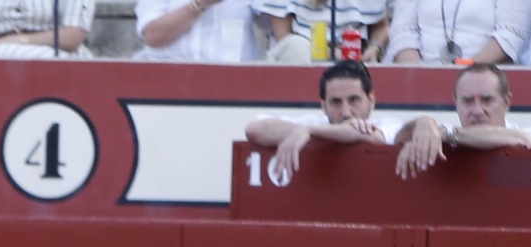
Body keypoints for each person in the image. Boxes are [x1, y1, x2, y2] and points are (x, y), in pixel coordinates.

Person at [245, 61, 395, 183]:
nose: (346, 112)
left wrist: (310, 132)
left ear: (371, 100)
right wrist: (309, 130)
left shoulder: (389, 124)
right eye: (336, 102)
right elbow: (254, 129)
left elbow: (377, 139)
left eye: (354, 100)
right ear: (324, 106)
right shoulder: (314, 123)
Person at [394, 63, 531, 179]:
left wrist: (445, 135)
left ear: (506, 102)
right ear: (456, 103)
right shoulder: (441, 132)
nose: (477, 111)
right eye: (468, 101)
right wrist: (422, 123)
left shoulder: (530, 133)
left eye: (487, 100)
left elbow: (522, 138)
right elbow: (397, 140)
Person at [384, 0, 530, 64]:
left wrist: (465, 69)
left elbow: (511, 35)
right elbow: (402, 33)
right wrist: (420, 73)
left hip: (484, 76)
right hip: (421, 75)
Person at [258, 0, 389, 62]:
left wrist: (375, 48)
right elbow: (283, 34)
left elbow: (380, 26)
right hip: (302, 55)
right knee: (296, 46)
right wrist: (327, 52)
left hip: (354, 56)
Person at [133, 0, 263, 61]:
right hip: (169, 80)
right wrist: (200, 4)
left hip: (235, 82)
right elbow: (152, 36)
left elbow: (279, 30)